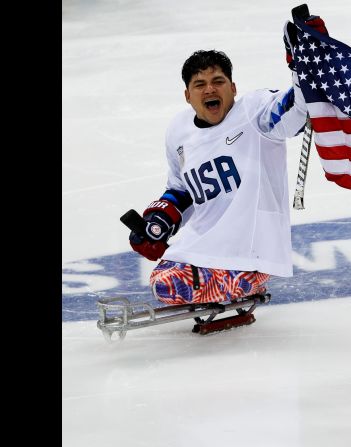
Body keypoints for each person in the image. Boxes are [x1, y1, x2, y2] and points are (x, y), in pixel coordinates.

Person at [128, 15, 329, 306]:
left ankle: (249, 279)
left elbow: (297, 110)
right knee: (163, 281)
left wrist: (303, 65)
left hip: (250, 251)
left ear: (233, 88)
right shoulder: (178, 131)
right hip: (205, 245)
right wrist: (159, 222)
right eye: (200, 84)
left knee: (171, 286)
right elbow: (182, 190)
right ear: (187, 95)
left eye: (218, 81)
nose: (210, 89)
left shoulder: (255, 113)